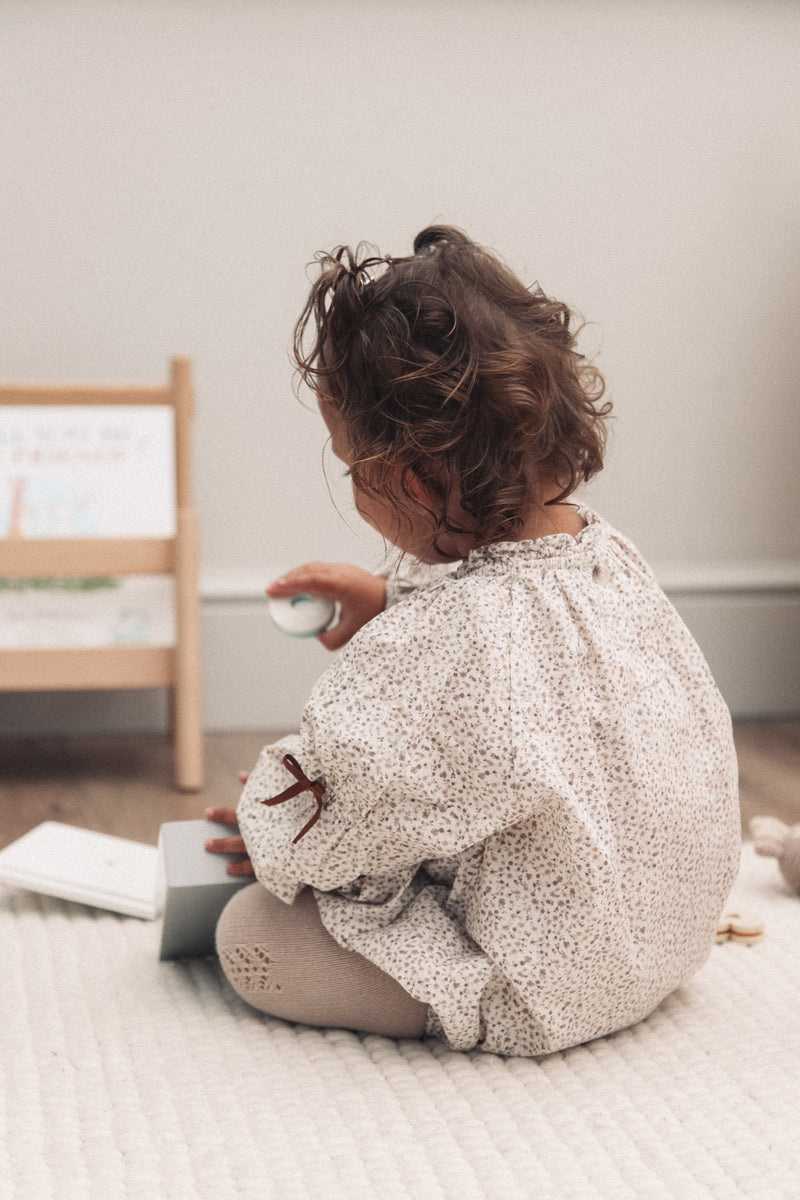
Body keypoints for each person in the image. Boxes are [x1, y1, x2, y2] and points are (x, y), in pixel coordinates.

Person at [206, 225, 740, 1056]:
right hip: (665, 938)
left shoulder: (457, 641)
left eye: (352, 467)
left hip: (544, 986)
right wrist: (391, 598)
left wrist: (272, 831)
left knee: (253, 935)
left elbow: (359, 804)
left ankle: (469, 1001)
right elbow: (536, 674)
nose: (351, 486)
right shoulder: (606, 557)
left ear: (414, 482)